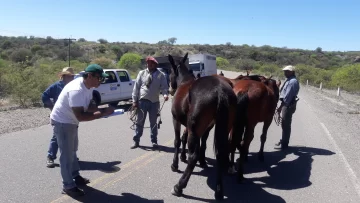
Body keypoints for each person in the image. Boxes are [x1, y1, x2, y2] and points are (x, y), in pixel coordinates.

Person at [50, 64, 115, 196]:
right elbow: (81, 116)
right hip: (63, 122)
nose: (100, 81)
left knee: (72, 151)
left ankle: (75, 176)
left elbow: (89, 106)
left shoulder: (88, 85)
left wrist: (101, 109)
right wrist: (102, 113)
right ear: (89, 76)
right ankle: (67, 186)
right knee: (66, 155)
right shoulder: (76, 89)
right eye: (99, 78)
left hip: (71, 121)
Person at [131, 56, 169, 149]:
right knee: (139, 122)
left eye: (152, 63)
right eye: (148, 63)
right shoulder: (141, 73)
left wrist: (165, 94)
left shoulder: (161, 75)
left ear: (155, 64)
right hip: (142, 101)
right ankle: (136, 141)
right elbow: (136, 87)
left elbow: (164, 87)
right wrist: (134, 101)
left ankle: (154, 141)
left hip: (154, 102)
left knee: (154, 123)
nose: (149, 64)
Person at [42, 67, 75, 168]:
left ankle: (70, 156)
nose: (72, 78)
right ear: (64, 76)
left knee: (71, 136)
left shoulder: (73, 86)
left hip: (71, 116)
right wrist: (52, 107)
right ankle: (50, 157)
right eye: (70, 76)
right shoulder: (56, 86)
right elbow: (45, 96)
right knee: (56, 136)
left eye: (73, 76)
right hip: (59, 116)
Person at [275, 65, 300, 150]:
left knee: (286, 124)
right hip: (287, 104)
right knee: (284, 124)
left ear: (292, 72)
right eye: (285, 71)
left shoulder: (292, 81)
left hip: (288, 105)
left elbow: (287, 97)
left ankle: (285, 144)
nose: (285, 73)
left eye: (287, 71)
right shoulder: (289, 80)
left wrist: (281, 106)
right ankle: (284, 140)